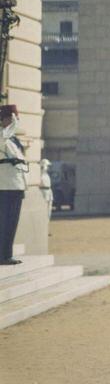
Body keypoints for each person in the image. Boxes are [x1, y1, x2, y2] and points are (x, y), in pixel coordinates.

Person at [0, 105, 27, 264]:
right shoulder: (2, 137)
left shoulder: (13, 140)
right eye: (12, 118)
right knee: (3, 222)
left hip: (16, 186)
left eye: (15, 118)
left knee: (11, 223)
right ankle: (2, 256)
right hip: (4, 187)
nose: (15, 121)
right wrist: (10, 126)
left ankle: (6, 254)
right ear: (4, 119)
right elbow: (3, 138)